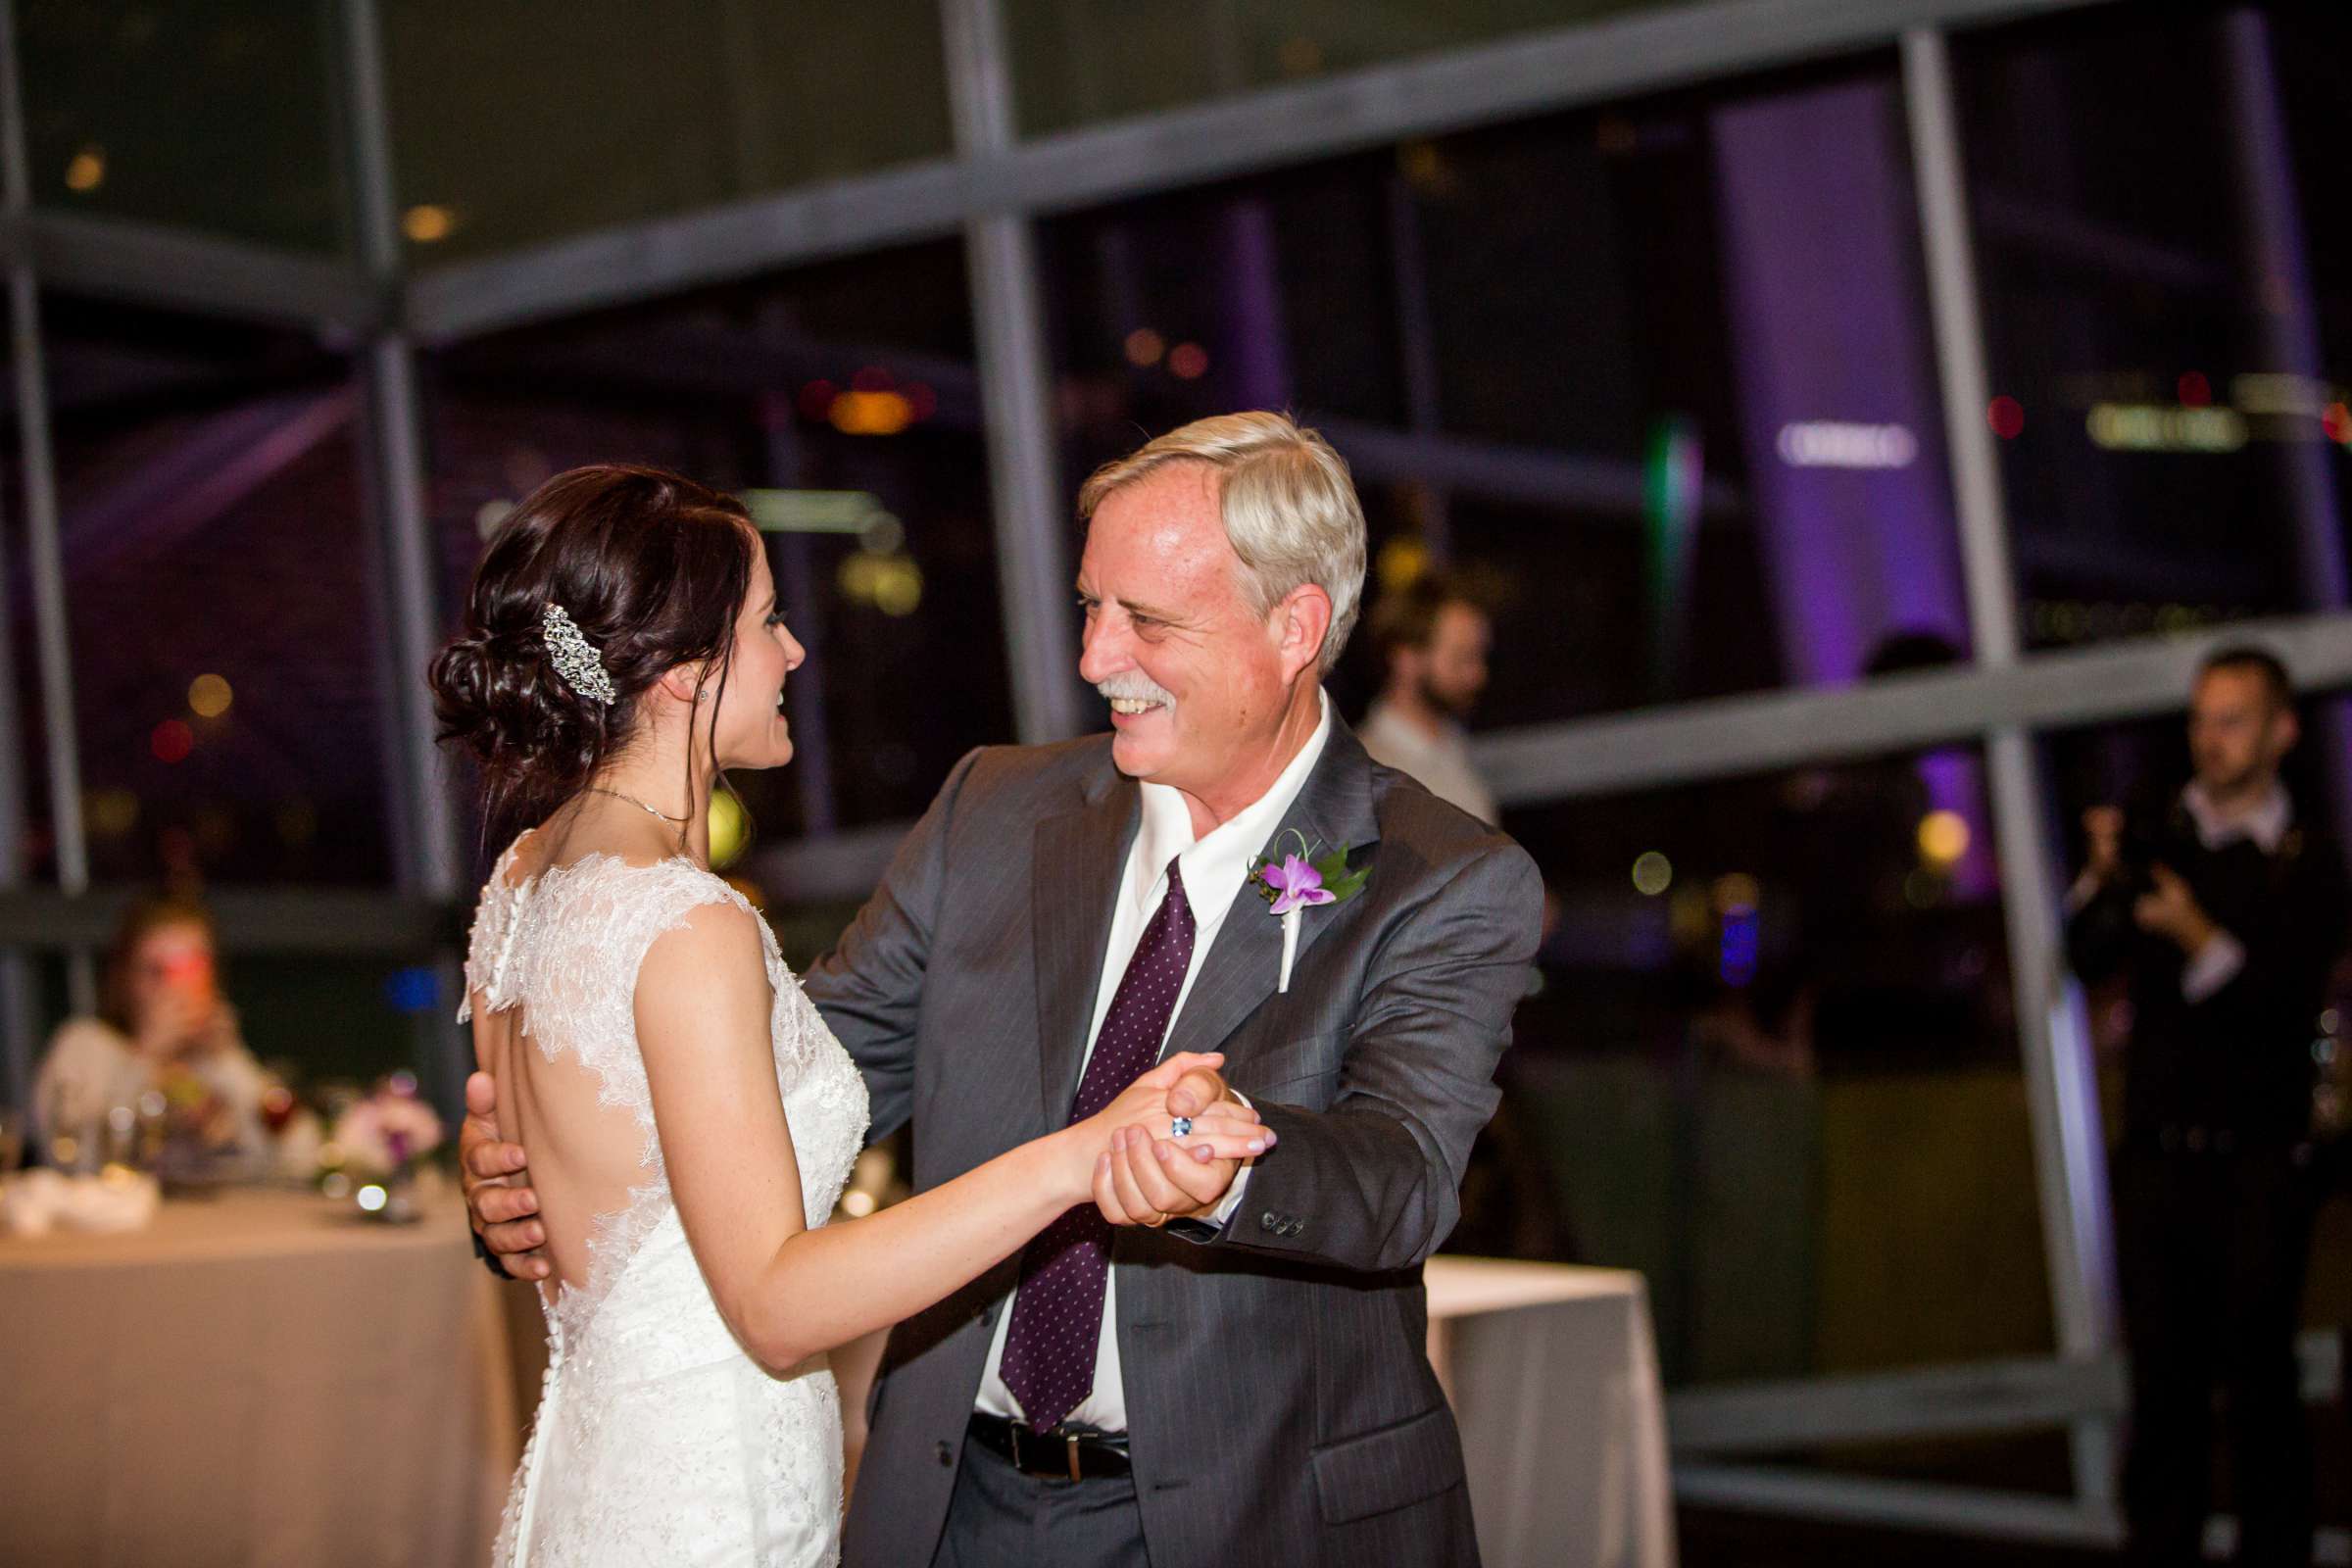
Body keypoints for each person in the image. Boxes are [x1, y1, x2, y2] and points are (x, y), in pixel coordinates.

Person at [466, 415, 1544, 1566]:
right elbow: (799, 1071)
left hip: (1265, 1519)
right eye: (1090, 606)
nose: (1095, 659)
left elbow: (1404, 1175)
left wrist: (1223, 1159)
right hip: (952, 1510)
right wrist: (569, 1173)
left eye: (1147, 620)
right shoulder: (992, 810)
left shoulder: (1444, 878)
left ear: (1295, 628)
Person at [429, 465, 1264, 1567]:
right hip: (709, 1507)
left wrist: (496, 1180)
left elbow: (606, 1167)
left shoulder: (525, 879)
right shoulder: (689, 928)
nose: (793, 654)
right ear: (682, 672)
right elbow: (774, 1301)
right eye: (769, 623)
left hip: (599, 1482)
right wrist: (1082, 1158)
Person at [2065, 645, 2347, 1567]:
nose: (2211, 740)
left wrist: (2194, 933)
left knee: (2260, 1387)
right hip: (2157, 1156)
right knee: (2163, 1395)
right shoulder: (2160, 835)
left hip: (2261, 1161)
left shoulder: (2306, 860)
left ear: (2281, 731)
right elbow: (2087, 957)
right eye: (2201, 719)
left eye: (2232, 719)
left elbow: (2283, 1001)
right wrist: (2104, 875)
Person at [33, 894, 270, 1165]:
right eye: (156, 971)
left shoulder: (216, 1062)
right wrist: (146, 1058)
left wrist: (228, 1064)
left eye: (192, 969)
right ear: (124, 977)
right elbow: (71, 1161)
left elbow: (294, 1159)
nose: (174, 989)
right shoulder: (86, 1046)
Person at [1356, 570, 1497, 824]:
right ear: (1406, 659)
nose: (1477, 675)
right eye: (1461, 659)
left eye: (1479, 657)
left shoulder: (1453, 742)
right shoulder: (1371, 771)